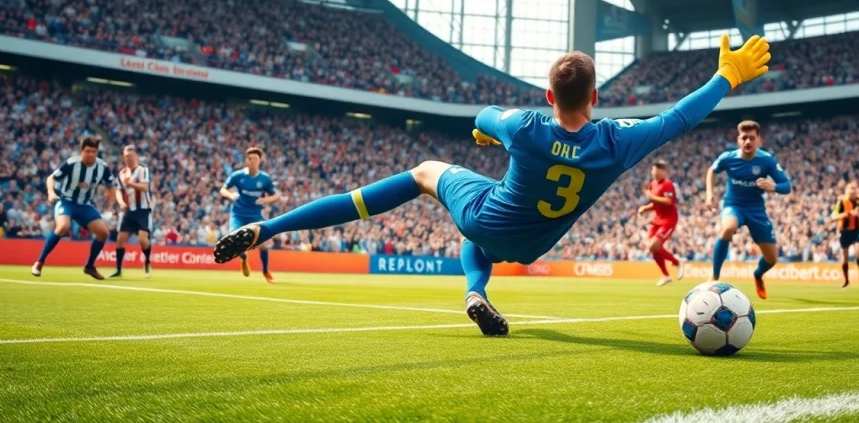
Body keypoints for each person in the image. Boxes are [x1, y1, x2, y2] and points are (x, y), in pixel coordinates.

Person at [215, 35, 771, 336]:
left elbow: (483, 114)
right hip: (533, 245)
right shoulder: (618, 143)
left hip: (487, 212)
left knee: (425, 173)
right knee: (477, 239)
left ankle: (273, 227)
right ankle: (476, 292)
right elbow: (679, 117)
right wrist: (728, 74)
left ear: (549, 96)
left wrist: (489, 132)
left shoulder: (525, 127)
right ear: (595, 97)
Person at [705, 120, 791, 300]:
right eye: (744, 138)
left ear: (759, 139)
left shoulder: (766, 160)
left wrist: (773, 186)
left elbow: (786, 186)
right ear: (738, 139)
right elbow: (712, 171)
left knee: (771, 259)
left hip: (756, 210)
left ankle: (758, 274)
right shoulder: (728, 158)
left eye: (752, 138)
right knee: (727, 228)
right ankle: (714, 276)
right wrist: (709, 194)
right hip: (733, 205)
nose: (748, 142)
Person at [32, 136, 117, 279]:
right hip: (66, 202)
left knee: (103, 233)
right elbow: (51, 178)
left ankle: (89, 266)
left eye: (94, 152)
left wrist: (110, 206)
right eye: (88, 151)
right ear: (82, 151)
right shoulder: (72, 163)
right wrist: (51, 193)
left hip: (85, 205)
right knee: (63, 227)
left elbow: (111, 187)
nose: (91, 154)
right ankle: (39, 262)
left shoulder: (102, 167)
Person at [219, 147, 280, 283]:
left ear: (260, 160)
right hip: (238, 214)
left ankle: (265, 271)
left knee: (263, 244)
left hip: (255, 216)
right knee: (235, 240)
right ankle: (244, 258)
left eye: (256, 159)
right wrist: (230, 195)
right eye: (250, 158)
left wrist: (266, 200)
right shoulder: (237, 176)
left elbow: (276, 195)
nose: (253, 161)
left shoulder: (265, 179)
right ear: (247, 160)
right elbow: (223, 189)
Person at [637, 160, 683, 286]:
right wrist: (645, 208)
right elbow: (656, 204)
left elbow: (668, 202)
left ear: (663, 171)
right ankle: (666, 275)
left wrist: (651, 197)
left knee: (654, 245)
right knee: (652, 248)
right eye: (653, 170)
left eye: (657, 170)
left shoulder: (667, 184)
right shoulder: (652, 184)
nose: (654, 173)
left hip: (668, 220)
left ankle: (676, 262)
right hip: (657, 220)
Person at [110, 145, 154, 278]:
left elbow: (145, 187)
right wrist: (121, 203)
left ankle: (147, 261)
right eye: (125, 157)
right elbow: (118, 191)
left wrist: (131, 184)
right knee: (120, 239)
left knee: (142, 239)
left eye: (129, 156)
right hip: (129, 210)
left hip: (143, 210)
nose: (127, 159)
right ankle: (118, 269)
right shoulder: (122, 173)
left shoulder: (143, 170)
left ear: (136, 156)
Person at [831, 181, 859, 287]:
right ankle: (846, 279)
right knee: (844, 258)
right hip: (844, 232)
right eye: (850, 188)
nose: (852, 191)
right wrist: (845, 214)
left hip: (856, 231)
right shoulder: (841, 202)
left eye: (854, 188)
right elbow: (833, 216)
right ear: (846, 190)